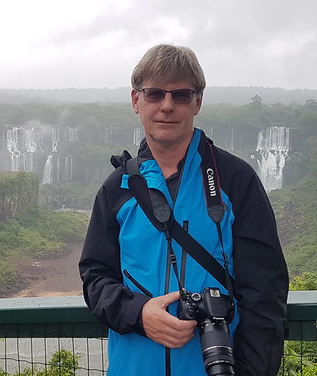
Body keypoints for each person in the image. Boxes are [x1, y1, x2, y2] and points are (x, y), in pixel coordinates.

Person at [79, 44, 289, 375]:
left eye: (180, 95)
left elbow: (265, 294)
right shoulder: (117, 188)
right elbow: (95, 276)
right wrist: (140, 314)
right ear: (136, 101)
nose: (167, 106)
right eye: (155, 94)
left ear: (197, 102)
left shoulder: (234, 181)